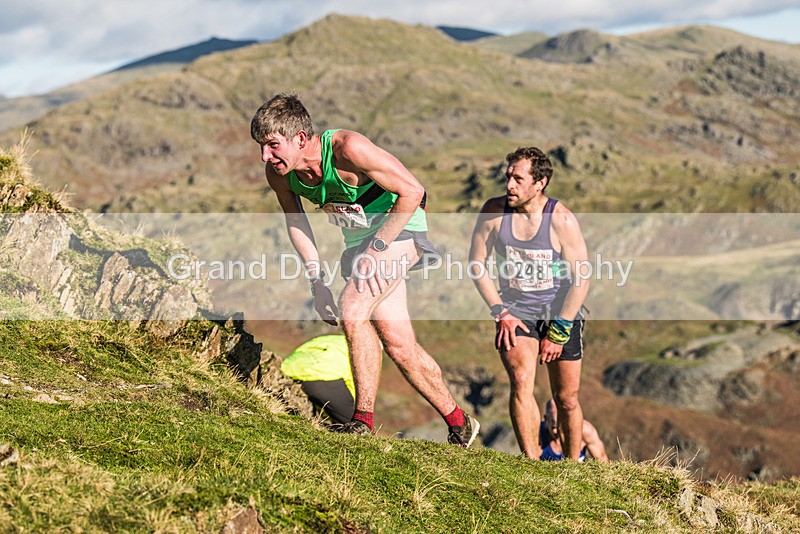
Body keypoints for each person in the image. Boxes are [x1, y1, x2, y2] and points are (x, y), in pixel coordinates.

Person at [251, 93, 479, 446]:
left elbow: (414, 192)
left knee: (353, 310)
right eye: (261, 147)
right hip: (359, 243)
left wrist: (378, 247)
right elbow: (296, 224)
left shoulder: (348, 149)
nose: (266, 156)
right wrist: (317, 283)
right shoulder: (279, 174)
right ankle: (460, 422)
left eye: (272, 145)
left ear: (299, 138)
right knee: (399, 344)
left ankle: (362, 422)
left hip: (399, 229)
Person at [468, 146, 590, 459]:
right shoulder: (494, 213)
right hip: (516, 310)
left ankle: (573, 465)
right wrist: (500, 312)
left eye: (518, 179)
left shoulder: (561, 220)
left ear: (540, 183)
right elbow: (477, 263)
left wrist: (560, 330)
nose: (509, 185)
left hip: (560, 310)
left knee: (566, 399)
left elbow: (582, 279)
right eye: (508, 177)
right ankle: (531, 462)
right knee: (521, 379)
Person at [280, 334, 355, 425]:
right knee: (355, 423)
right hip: (322, 377)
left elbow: (303, 349)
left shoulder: (335, 339)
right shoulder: (367, 352)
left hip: (290, 369)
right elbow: (355, 383)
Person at [539, 399, 608, 462]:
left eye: (560, 426)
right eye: (553, 427)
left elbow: (602, 460)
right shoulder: (537, 433)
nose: (556, 432)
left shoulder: (585, 431)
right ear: (546, 418)